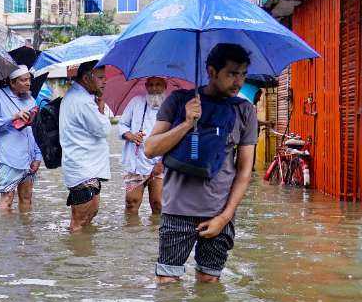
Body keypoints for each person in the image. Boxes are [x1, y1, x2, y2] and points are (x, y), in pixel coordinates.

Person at [145, 43, 258, 284]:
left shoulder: (245, 111)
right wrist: (186, 123)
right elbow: (150, 149)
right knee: (167, 285)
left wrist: (225, 217)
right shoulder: (178, 101)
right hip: (177, 212)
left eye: (243, 74)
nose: (238, 82)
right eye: (231, 73)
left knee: (209, 286)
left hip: (219, 213)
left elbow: (244, 171)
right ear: (211, 71)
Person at [59, 60, 110, 233]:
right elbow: (103, 129)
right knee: (79, 222)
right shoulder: (82, 101)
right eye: (101, 77)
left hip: (87, 168)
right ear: (87, 78)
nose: (105, 81)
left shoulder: (80, 97)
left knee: (90, 213)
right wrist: (101, 109)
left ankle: (83, 255)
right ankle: (76, 255)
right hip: (82, 169)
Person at [0, 65, 42, 211]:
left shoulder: (30, 99)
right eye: (23, 80)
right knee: (7, 199)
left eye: (29, 79)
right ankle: (6, 233)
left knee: (27, 198)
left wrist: (38, 156)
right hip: (10, 158)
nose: (28, 83)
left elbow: (35, 129)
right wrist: (12, 117)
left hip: (29, 157)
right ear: (12, 82)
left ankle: (26, 233)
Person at [118, 77, 167, 215]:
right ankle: (131, 234)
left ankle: (157, 235)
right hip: (136, 161)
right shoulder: (136, 102)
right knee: (131, 203)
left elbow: (176, 137)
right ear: (146, 86)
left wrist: (162, 162)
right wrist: (131, 136)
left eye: (158, 84)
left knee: (159, 204)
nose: (154, 88)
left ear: (165, 86)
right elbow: (122, 125)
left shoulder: (172, 105)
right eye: (150, 85)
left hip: (160, 163)